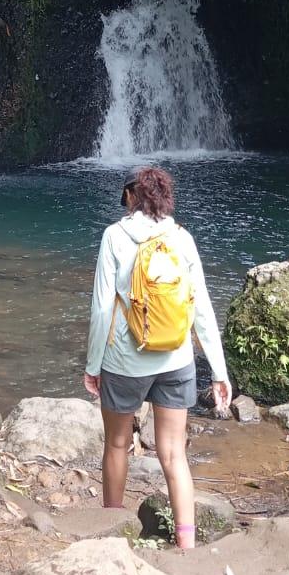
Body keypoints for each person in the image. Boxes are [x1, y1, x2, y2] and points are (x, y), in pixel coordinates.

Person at [85, 165, 232, 548]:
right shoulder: (182, 237)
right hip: (176, 360)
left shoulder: (114, 236)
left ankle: (113, 536)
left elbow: (102, 309)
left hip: (124, 362)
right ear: (166, 198)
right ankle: (187, 545)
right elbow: (201, 308)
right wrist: (219, 371)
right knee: (173, 454)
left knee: (117, 445)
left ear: (130, 196)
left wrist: (93, 364)